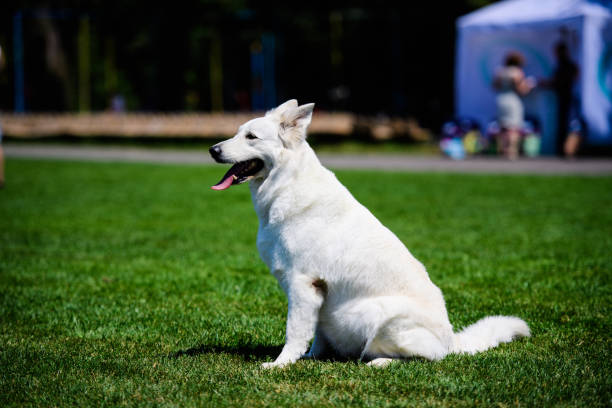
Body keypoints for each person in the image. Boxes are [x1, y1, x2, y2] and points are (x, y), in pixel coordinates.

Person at [493, 51, 535, 159]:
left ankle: (502, 149)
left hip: (501, 99)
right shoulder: (517, 72)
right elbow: (521, 90)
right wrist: (529, 85)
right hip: (513, 100)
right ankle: (511, 151)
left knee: (503, 127)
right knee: (513, 127)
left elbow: (494, 86)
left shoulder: (500, 71)